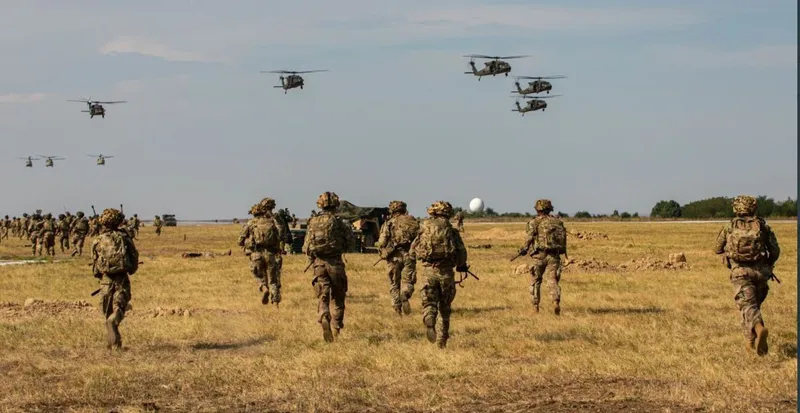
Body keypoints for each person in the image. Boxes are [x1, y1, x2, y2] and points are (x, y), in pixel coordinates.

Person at [713, 195, 781, 356]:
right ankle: (751, 343)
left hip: (740, 272)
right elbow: (775, 250)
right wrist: (768, 264)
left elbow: (717, 248)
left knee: (748, 306)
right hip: (761, 272)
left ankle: (758, 329)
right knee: (752, 306)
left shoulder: (730, 226)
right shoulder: (763, 227)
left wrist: (727, 254)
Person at [410, 201, 468, 349]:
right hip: (447, 273)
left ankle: (429, 317)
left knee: (429, 303)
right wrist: (461, 266)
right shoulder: (451, 230)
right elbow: (461, 251)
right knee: (445, 308)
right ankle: (442, 340)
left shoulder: (424, 228)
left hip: (429, 272)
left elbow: (412, 251)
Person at [302, 192, 354, 342]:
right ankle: (337, 328)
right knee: (338, 298)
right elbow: (350, 244)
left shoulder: (313, 222)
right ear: (336, 205)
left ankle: (324, 315)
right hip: (336, 263)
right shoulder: (341, 222)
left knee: (323, 296)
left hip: (319, 264)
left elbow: (306, 246)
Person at [90, 208, 138, 350]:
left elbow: (94, 264)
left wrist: (100, 275)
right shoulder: (124, 238)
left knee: (107, 309)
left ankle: (113, 343)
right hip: (121, 278)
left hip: (105, 279)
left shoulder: (97, 240)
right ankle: (113, 327)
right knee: (120, 306)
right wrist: (131, 269)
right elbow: (134, 257)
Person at [518, 199, 567, 315]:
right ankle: (555, 302)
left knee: (535, 280)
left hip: (539, 256)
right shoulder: (557, 222)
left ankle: (535, 307)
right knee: (553, 280)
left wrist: (524, 249)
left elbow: (529, 237)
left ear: (538, 209)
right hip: (554, 255)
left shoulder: (534, 222)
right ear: (549, 209)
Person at [237, 198, 285, 307]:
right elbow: (282, 236)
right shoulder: (274, 221)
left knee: (257, 274)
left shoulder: (252, 223)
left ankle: (263, 287)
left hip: (256, 254)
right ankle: (276, 305)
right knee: (274, 280)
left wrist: (247, 243)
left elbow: (239, 240)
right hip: (272, 254)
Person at [376, 200, 419, 316]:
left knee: (394, 283)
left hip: (394, 258)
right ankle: (405, 293)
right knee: (408, 280)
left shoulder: (389, 223)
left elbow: (382, 241)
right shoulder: (412, 221)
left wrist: (382, 250)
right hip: (409, 255)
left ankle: (397, 310)